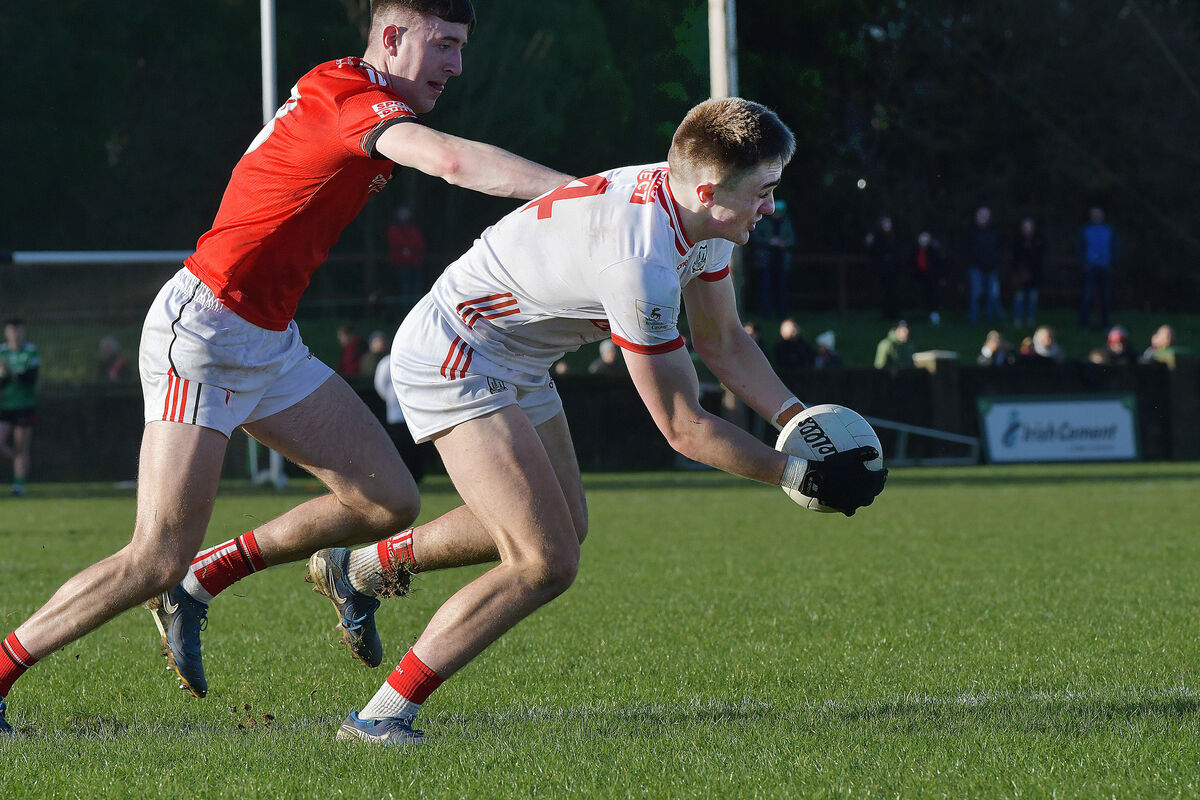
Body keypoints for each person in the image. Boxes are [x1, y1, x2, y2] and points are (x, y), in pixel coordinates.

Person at [0, 0, 574, 734]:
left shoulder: (355, 92)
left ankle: (208, 577)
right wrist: (586, 192)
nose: (456, 65)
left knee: (387, 500)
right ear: (393, 37)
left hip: (268, 339)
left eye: (463, 47)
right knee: (152, 557)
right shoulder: (352, 98)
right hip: (204, 330)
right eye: (444, 45)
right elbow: (454, 162)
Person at [306, 98, 886, 746]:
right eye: (765, 192)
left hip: (513, 355)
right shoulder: (639, 262)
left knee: (563, 525)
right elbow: (682, 427)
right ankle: (379, 717)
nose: (772, 209)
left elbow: (722, 341)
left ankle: (359, 570)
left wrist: (800, 422)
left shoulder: (696, 216)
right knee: (543, 560)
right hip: (456, 355)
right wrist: (800, 474)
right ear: (707, 189)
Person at [373, 341, 424, 483]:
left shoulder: (388, 362)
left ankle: (412, 475)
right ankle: (409, 475)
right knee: (403, 445)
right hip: (403, 413)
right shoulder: (390, 362)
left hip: (404, 413)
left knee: (410, 446)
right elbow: (380, 385)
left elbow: (380, 385)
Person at [0, 318, 39, 497]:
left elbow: (30, 379)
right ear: (6, 333)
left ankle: (19, 485)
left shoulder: (30, 352)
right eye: (12, 331)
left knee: (21, 446)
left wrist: (11, 371)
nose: (16, 335)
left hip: (25, 406)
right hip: (6, 405)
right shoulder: (2, 352)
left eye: (19, 331)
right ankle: (18, 464)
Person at [746, 199, 796, 319]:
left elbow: (792, 239)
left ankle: (782, 314)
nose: (778, 214)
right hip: (765, 260)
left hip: (781, 260)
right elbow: (755, 237)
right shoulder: (762, 221)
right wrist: (770, 242)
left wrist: (783, 243)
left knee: (781, 287)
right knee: (765, 287)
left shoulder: (786, 222)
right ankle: (765, 314)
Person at [963, 206, 1004, 324]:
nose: (983, 218)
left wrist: (996, 264)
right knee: (976, 293)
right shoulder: (970, 232)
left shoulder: (994, 232)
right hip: (975, 268)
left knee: (992, 295)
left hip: (991, 268)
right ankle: (973, 320)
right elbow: (966, 251)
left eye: (986, 215)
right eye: (981, 215)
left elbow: (999, 249)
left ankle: (989, 320)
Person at [1078, 206, 1115, 329]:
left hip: (1105, 268)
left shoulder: (1108, 229)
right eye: (1094, 214)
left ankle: (1105, 325)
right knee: (1087, 297)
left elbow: (1114, 247)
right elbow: (1080, 248)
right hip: (1090, 268)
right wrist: (1084, 264)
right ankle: (1084, 324)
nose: (1096, 216)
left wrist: (1111, 262)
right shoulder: (1085, 230)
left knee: (1105, 298)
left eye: (1098, 214)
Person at [387, 205, 426, 307]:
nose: (404, 216)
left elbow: (419, 244)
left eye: (406, 214)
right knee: (404, 289)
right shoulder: (394, 229)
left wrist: (408, 248)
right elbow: (395, 242)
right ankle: (404, 312)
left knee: (416, 289)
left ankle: (416, 310)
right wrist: (407, 247)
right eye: (402, 214)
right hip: (400, 264)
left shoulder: (414, 229)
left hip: (414, 263)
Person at [1010, 216, 1044, 327]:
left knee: (1032, 299)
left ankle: (1030, 319)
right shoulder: (1017, 241)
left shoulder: (1038, 241)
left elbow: (1039, 259)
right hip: (1020, 274)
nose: (1027, 229)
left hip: (1035, 275)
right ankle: (1017, 320)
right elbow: (1015, 258)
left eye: (1029, 227)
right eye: (1025, 227)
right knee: (1019, 298)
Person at [866, 215, 901, 321]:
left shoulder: (893, 236)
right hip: (883, 268)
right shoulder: (877, 236)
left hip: (893, 268)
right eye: (885, 223)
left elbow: (896, 251)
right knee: (885, 291)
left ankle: (894, 314)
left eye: (888, 223)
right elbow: (874, 251)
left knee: (894, 291)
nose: (887, 225)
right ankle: (887, 314)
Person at [910, 231, 944, 325]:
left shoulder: (933, 250)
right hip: (919, 276)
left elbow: (938, 264)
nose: (924, 240)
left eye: (926, 238)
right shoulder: (915, 250)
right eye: (922, 238)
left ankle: (933, 313)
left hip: (931, 276)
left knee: (932, 295)